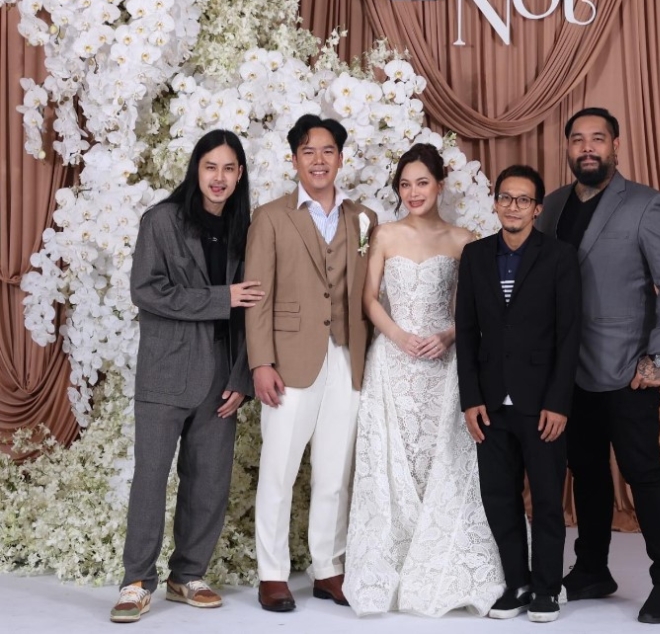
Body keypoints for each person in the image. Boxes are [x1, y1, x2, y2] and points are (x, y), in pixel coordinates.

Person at [536, 107, 660, 625]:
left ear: (616, 146)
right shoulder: (552, 206)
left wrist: (658, 356)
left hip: (629, 369)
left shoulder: (648, 205)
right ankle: (592, 569)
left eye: (597, 139)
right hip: (568, 371)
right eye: (578, 139)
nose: (587, 147)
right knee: (585, 472)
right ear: (567, 148)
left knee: (643, 471)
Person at [344, 144, 505, 617]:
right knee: (393, 461)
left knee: (444, 460)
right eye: (405, 184)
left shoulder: (463, 240)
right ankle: (392, 562)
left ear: (440, 185)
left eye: (422, 183)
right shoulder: (385, 234)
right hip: (393, 364)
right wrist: (398, 336)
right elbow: (369, 299)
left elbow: (472, 309)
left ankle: (441, 562)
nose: (413, 192)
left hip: (443, 364)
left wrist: (447, 335)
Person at [111, 129, 263, 624]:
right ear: (197, 169)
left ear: (239, 174)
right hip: (167, 371)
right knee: (151, 478)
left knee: (209, 481)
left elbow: (251, 312)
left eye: (228, 168)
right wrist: (222, 297)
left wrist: (242, 377)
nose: (219, 178)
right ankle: (137, 581)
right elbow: (146, 291)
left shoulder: (246, 230)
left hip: (222, 374)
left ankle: (187, 574)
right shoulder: (161, 221)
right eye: (210, 166)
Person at [244, 114, 377, 613]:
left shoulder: (364, 219)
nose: (318, 160)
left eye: (327, 151)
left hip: (347, 355)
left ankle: (328, 568)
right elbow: (257, 296)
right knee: (279, 469)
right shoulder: (270, 217)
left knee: (335, 471)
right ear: (294, 160)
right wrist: (261, 362)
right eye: (308, 151)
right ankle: (272, 574)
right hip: (289, 360)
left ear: (340, 158)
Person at [455, 165, 581, 624]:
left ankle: (547, 587)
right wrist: (470, 398)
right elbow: (466, 331)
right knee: (499, 497)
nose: (513, 207)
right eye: (506, 198)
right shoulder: (475, 256)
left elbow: (569, 334)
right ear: (495, 203)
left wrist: (558, 402)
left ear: (537, 208)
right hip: (490, 403)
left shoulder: (559, 257)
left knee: (546, 498)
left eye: (523, 200)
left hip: (541, 403)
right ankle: (518, 583)